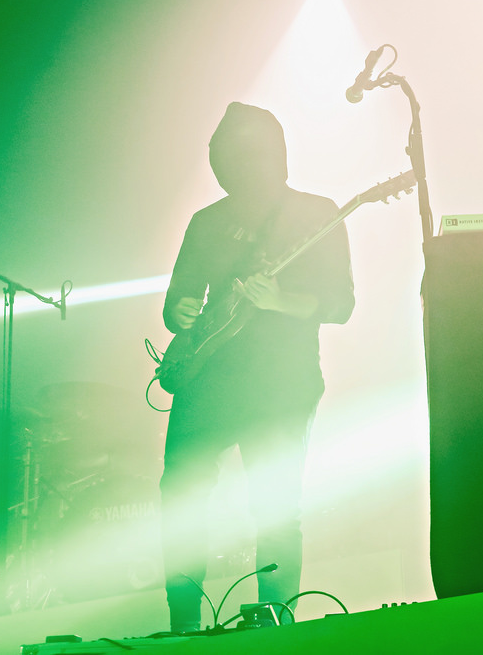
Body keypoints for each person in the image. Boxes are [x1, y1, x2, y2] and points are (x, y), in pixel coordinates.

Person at [160, 102, 354, 633]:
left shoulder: (317, 213)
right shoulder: (206, 222)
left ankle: (274, 629)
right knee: (180, 503)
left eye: (251, 152)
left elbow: (341, 303)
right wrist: (178, 310)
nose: (241, 164)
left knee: (274, 511)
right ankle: (183, 629)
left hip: (280, 385)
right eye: (231, 155)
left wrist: (279, 300)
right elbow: (178, 296)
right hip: (205, 381)